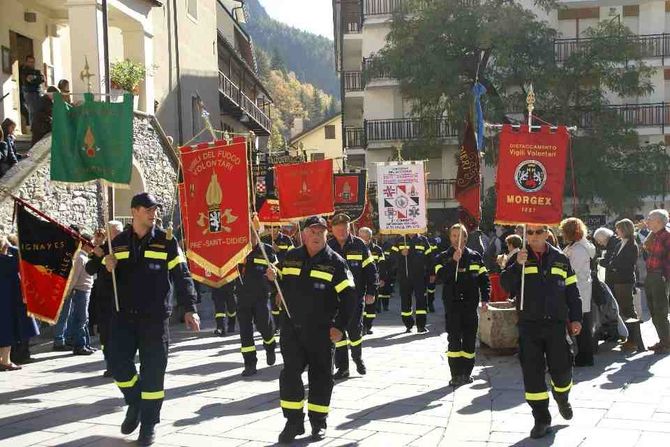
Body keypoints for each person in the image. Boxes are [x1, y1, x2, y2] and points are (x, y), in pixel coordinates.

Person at [103, 192, 200, 446]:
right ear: (134, 211)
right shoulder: (117, 243)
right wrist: (106, 265)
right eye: (148, 209)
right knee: (117, 363)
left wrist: (189, 307)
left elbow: (182, 275)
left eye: (155, 209)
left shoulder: (167, 241)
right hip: (124, 316)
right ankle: (134, 401)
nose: (153, 213)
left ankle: (148, 425)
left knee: (153, 372)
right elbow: (99, 274)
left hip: (155, 318)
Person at [269, 216, 355, 443]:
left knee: (321, 377)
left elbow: (349, 298)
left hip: (321, 331)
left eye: (321, 232)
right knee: (290, 375)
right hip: (292, 328)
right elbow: (281, 285)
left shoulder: (335, 262)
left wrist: (340, 326)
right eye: (312, 231)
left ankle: (318, 423)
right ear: (304, 234)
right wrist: (273, 280)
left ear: (326, 234)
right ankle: (293, 422)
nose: (316, 236)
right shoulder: (291, 257)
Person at [501, 224, 582, 439]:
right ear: (525, 235)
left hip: (556, 325)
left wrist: (576, 318)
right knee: (532, 373)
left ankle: (562, 397)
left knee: (562, 370)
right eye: (530, 232)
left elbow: (572, 290)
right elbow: (506, 284)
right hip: (529, 325)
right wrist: (517, 266)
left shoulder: (560, 258)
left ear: (547, 233)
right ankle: (541, 418)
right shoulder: (518, 257)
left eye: (538, 232)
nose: (534, 236)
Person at [434, 224, 490, 387]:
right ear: (449, 237)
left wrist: (485, 298)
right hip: (452, 305)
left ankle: (466, 373)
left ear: (465, 237)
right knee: (454, 340)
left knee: (469, 340)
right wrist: (453, 261)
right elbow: (440, 277)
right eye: (453, 235)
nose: (456, 238)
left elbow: (484, 279)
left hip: (470, 305)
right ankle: (455, 374)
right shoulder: (442, 257)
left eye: (460, 235)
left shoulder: (475, 256)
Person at [328, 213, 377, 379]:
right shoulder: (328, 246)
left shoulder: (359, 244)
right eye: (338, 229)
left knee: (355, 331)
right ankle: (342, 368)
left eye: (345, 228)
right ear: (332, 230)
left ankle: (357, 357)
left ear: (349, 228)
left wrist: (371, 291)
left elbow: (371, 269)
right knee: (338, 333)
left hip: (355, 297)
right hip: (334, 299)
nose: (342, 232)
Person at [86, 221, 125, 377]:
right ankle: (110, 363)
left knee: (122, 333)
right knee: (106, 333)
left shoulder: (127, 247)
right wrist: (97, 256)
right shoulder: (101, 249)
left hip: (123, 298)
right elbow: (90, 269)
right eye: (112, 233)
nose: (116, 236)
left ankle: (123, 363)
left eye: (118, 233)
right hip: (104, 299)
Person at [237, 229, 277, 377]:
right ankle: (249, 363)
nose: (250, 238)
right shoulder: (237, 250)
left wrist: (274, 276)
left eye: (253, 234)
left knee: (264, 326)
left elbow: (277, 271)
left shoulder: (266, 250)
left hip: (261, 296)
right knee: (245, 331)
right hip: (242, 296)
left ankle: (270, 345)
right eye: (247, 235)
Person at [559, 218, 596, 367]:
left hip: (579, 288)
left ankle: (586, 357)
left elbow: (572, 270)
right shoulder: (576, 246)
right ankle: (583, 354)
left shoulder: (579, 250)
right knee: (581, 323)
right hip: (578, 288)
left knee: (583, 325)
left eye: (564, 232)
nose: (562, 234)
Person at [0, 235, 40, 371]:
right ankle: (5, 361)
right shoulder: (8, 262)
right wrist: (11, 246)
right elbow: (23, 255)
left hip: (6, 300)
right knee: (7, 330)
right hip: (7, 301)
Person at [600, 219, 639, 351]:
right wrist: (610, 265)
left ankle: (634, 340)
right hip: (618, 280)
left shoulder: (632, 245)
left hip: (625, 281)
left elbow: (627, 264)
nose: (616, 231)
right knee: (622, 309)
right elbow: (613, 261)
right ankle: (629, 338)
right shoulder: (620, 243)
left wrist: (613, 266)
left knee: (628, 309)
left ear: (624, 229)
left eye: (618, 228)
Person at [391, 233, 435, 333]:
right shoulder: (400, 240)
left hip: (420, 276)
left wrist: (432, 273)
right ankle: (408, 324)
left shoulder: (423, 240)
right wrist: (400, 254)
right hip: (404, 276)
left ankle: (421, 326)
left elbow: (430, 258)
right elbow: (392, 256)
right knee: (405, 300)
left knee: (421, 300)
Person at [63, 230, 98, 355]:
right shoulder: (80, 258)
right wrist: (68, 291)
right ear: (85, 244)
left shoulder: (84, 257)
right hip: (80, 291)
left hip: (85, 290)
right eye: (91, 244)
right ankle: (79, 345)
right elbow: (74, 277)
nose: (93, 247)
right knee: (80, 318)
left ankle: (86, 344)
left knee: (84, 318)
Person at [642, 209, 670, 354]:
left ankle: (667, 342)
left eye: (650, 219)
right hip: (652, 275)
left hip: (659, 276)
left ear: (658, 221)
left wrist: (665, 276)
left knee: (660, 310)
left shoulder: (667, 236)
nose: (647, 221)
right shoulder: (655, 235)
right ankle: (664, 340)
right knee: (653, 310)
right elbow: (646, 249)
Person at [262, 225, 294, 327]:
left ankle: (285, 322)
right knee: (273, 299)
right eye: (269, 227)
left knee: (284, 298)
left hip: (284, 272)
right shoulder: (264, 239)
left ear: (279, 228)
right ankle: (276, 325)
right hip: (270, 273)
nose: (272, 229)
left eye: (274, 227)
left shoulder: (286, 239)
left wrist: (279, 251)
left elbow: (292, 256)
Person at [358, 226, 385, 334]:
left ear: (370, 237)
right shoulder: (354, 249)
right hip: (360, 281)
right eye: (360, 237)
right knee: (360, 305)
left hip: (373, 281)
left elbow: (382, 266)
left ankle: (368, 326)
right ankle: (361, 326)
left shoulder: (377, 250)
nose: (362, 239)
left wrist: (382, 278)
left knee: (371, 306)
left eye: (364, 237)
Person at [20, 55, 44, 125]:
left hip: (38, 92)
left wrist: (34, 77)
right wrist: (37, 79)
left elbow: (43, 79)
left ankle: (38, 127)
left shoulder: (37, 71)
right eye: (29, 62)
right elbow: (28, 80)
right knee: (32, 112)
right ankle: (33, 128)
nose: (31, 64)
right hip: (29, 93)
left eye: (33, 62)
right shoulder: (24, 71)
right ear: (26, 62)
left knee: (39, 111)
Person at [378, 236, 396, 312]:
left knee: (386, 290)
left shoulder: (390, 246)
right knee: (377, 290)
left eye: (384, 235)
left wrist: (391, 268)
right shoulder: (375, 245)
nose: (382, 237)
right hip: (377, 270)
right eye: (381, 235)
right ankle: (378, 307)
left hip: (388, 270)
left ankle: (385, 305)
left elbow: (395, 258)